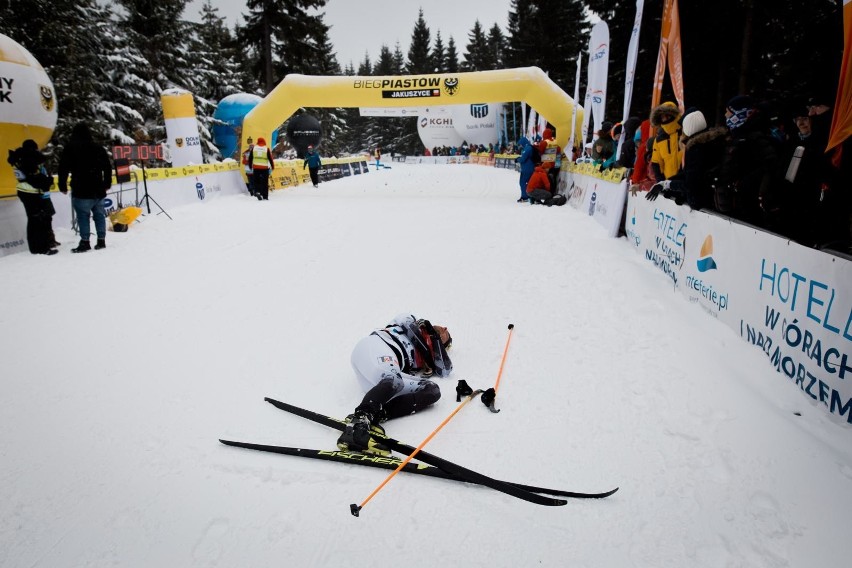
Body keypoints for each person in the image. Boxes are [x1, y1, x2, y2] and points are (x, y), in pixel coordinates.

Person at [337, 313, 453, 455]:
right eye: (443, 330)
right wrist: (430, 333)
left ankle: (375, 416)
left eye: (446, 335)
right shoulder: (410, 321)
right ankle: (357, 425)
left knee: (432, 390)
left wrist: (434, 341)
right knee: (394, 380)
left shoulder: (427, 356)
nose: (445, 328)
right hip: (375, 347)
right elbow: (405, 322)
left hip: (383, 378)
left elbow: (444, 370)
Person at [717, 95, 783, 229]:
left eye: (729, 113)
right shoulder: (737, 138)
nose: (726, 116)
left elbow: (771, 167)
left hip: (752, 210)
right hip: (739, 206)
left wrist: (744, 183)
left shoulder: (755, 137)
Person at [646, 109, 727, 210]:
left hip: (703, 205)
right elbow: (690, 175)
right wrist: (667, 184)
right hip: (711, 201)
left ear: (688, 128)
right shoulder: (712, 142)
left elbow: (691, 182)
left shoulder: (695, 149)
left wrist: (668, 185)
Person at [58, 123, 113, 253]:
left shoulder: (70, 148)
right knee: (99, 216)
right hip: (98, 189)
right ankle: (101, 240)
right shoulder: (98, 148)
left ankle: (85, 242)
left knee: (83, 216)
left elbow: (63, 168)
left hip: (81, 188)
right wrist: (106, 184)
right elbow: (107, 167)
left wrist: (62, 185)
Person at [7, 139, 58, 255]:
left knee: (33, 221)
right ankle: (42, 248)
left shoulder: (17, 159)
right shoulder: (27, 159)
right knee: (38, 220)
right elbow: (34, 178)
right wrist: (47, 181)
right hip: (32, 193)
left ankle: (35, 247)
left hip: (24, 192)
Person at [649, 102, 683, 182]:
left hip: (686, 182)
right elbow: (656, 162)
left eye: (668, 115)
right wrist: (661, 182)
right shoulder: (658, 140)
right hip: (668, 184)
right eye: (663, 117)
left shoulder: (685, 132)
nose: (665, 119)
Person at [248, 136, 274, 200]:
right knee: (265, 182)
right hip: (264, 168)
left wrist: (250, 166)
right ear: (264, 142)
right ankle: (265, 196)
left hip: (256, 168)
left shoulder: (254, 148)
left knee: (256, 181)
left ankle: (257, 191)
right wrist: (272, 166)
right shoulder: (266, 149)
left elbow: (250, 158)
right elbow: (270, 159)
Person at [514, 136, 536, 202]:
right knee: (529, 182)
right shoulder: (528, 147)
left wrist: (517, 159)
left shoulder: (527, 148)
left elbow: (523, 159)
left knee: (522, 182)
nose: (520, 146)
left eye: (520, 144)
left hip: (527, 169)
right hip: (529, 168)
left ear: (523, 142)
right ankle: (530, 196)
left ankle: (525, 197)